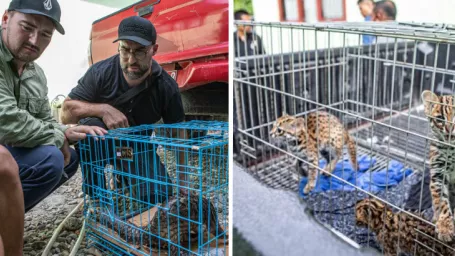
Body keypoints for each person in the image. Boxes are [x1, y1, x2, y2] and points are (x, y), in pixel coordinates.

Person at [0, 0, 107, 254]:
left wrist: (65, 132)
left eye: (45, 35)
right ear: (6, 19)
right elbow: (5, 118)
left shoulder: (36, 74)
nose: (35, 41)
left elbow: (44, 118)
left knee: (63, 158)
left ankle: (6, 218)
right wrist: (56, 134)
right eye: (27, 27)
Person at [61, 16, 187, 203]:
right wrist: (103, 110)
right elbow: (65, 113)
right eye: (125, 50)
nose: (131, 59)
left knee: (159, 196)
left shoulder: (166, 87)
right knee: (90, 131)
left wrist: (183, 184)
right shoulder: (100, 72)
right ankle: (96, 197)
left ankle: (124, 174)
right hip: (101, 144)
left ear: (154, 50)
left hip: (134, 149)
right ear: (118, 47)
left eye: (140, 52)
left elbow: (178, 135)